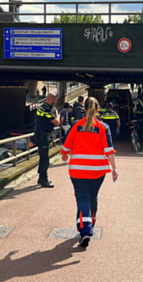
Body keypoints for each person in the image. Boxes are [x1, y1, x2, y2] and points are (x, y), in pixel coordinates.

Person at [61, 97, 119, 248]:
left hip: (78, 170)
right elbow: (109, 150)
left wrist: (64, 154)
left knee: (82, 199)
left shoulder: (77, 125)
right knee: (92, 197)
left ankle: (85, 230)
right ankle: (90, 224)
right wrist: (114, 168)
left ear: (84, 110)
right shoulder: (103, 127)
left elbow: (66, 145)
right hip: (98, 171)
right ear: (97, 109)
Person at [34, 92, 60, 188]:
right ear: (52, 99)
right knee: (45, 159)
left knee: (42, 157)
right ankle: (43, 179)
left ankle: (41, 177)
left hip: (39, 134)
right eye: (55, 99)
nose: (56, 101)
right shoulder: (48, 110)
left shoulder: (41, 107)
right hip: (44, 136)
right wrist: (57, 114)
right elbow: (57, 123)